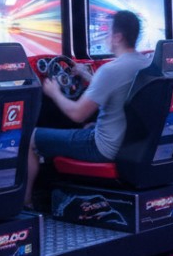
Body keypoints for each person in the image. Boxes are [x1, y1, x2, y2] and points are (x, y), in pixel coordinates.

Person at [28, 11, 151, 199]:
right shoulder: (146, 64)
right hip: (130, 144)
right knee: (88, 126)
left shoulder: (111, 70)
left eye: (107, 32)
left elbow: (77, 114)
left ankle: (26, 204)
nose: (105, 35)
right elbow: (118, 93)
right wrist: (87, 76)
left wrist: (54, 92)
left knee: (29, 138)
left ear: (118, 37)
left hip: (102, 147)